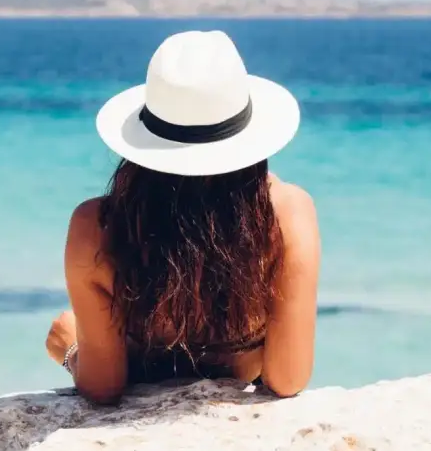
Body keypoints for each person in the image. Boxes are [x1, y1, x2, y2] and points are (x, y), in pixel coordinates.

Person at [45, 30, 320, 404]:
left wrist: (70, 349)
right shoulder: (287, 214)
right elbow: (288, 379)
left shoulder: (96, 226)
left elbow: (104, 387)